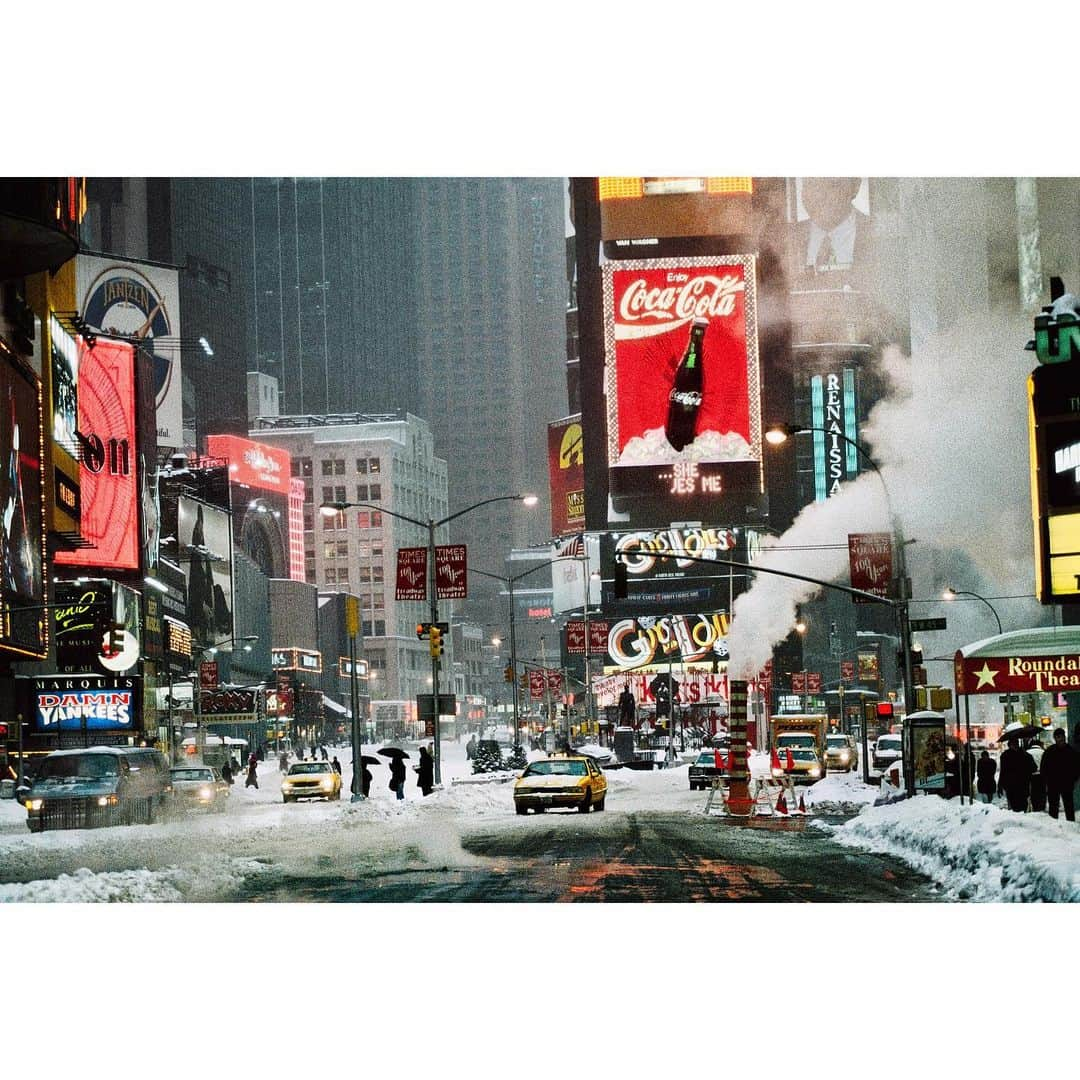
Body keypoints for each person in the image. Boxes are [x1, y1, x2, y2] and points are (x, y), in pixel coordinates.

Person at [1041, 727, 1080, 822]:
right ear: (1055, 738)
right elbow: (1044, 768)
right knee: (1053, 806)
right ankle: (1054, 826)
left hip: (1066, 783)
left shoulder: (1071, 751)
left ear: (1064, 737)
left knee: (1068, 806)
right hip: (1053, 783)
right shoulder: (1049, 751)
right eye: (1058, 737)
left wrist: (1074, 780)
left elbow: (1077, 767)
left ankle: (1070, 825)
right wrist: (1046, 781)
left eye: (1061, 737)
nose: (1060, 739)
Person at [997, 737, 1035, 812]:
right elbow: (1003, 771)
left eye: (1016, 743)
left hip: (1019, 785)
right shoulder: (1006, 756)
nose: (1015, 745)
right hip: (1014, 786)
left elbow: (1033, 768)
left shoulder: (1024, 755)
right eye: (1014, 743)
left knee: (1019, 806)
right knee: (1017, 806)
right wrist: (1000, 785)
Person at [1027, 738, 1046, 812]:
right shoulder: (1043, 752)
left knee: (1033, 792)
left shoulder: (1027, 752)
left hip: (1031, 776)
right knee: (1042, 792)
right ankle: (1041, 806)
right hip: (1042, 775)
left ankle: (1034, 806)